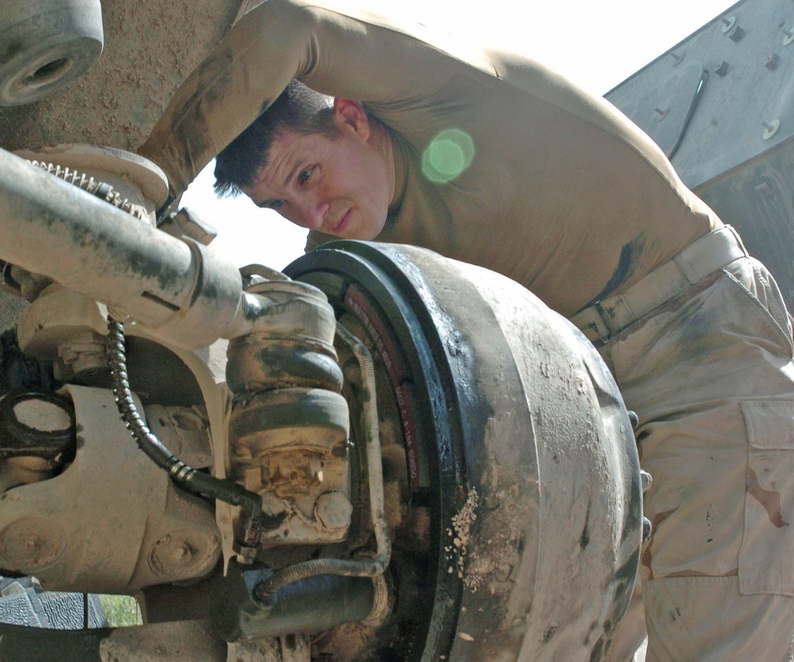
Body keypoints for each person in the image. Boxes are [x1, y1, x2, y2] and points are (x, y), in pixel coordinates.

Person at [138, 1, 794, 658]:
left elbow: (289, 24)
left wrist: (144, 181)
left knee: (721, 631)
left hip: (695, 340)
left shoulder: (447, 106)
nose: (310, 210)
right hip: (577, 406)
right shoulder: (357, 254)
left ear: (352, 118)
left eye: (307, 174)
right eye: (280, 205)